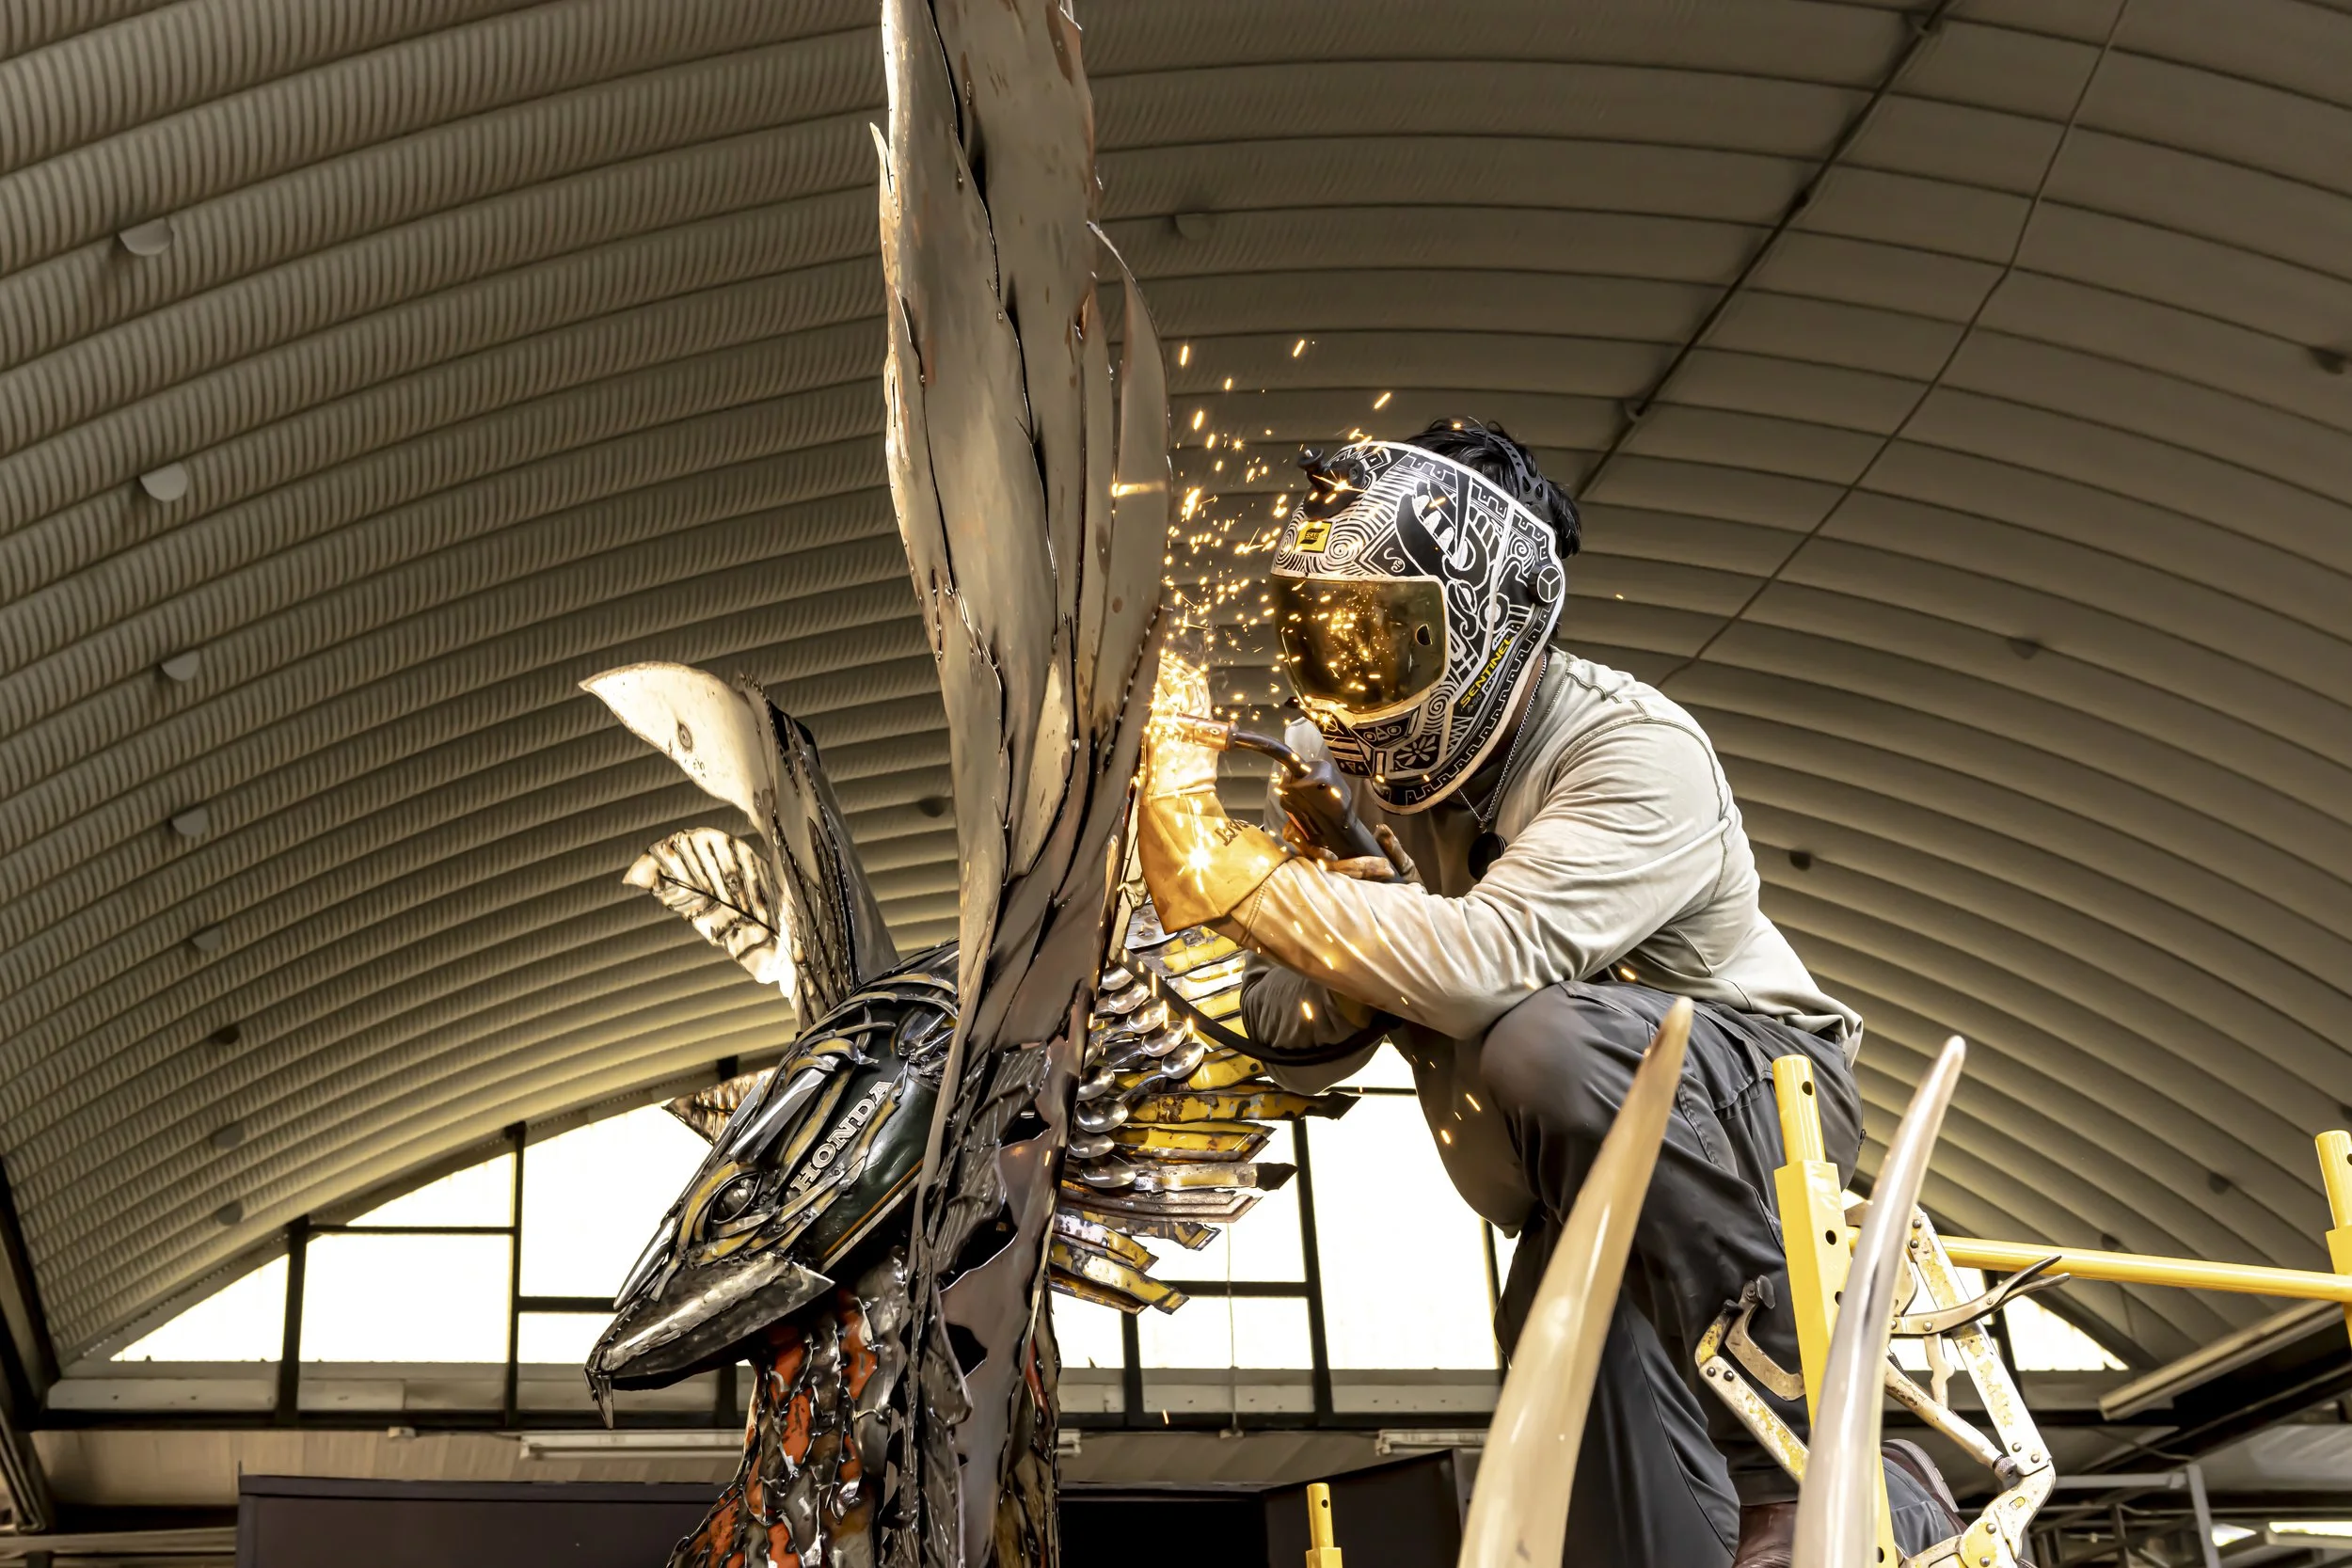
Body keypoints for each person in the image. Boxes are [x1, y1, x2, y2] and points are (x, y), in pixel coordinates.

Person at [1136, 421, 1961, 1566]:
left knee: (1540, 1043)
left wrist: (1243, 876)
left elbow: (1489, 966)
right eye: (1332, 642)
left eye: (1387, 638)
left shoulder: (1630, 749)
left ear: (1488, 617)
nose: (1354, 680)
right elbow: (1284, 1034)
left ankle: (1830, 1457)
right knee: (1559, 1394)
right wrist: (1345, 919)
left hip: (1759, 1118)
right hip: (1573, 1199)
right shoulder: (1373, 784)